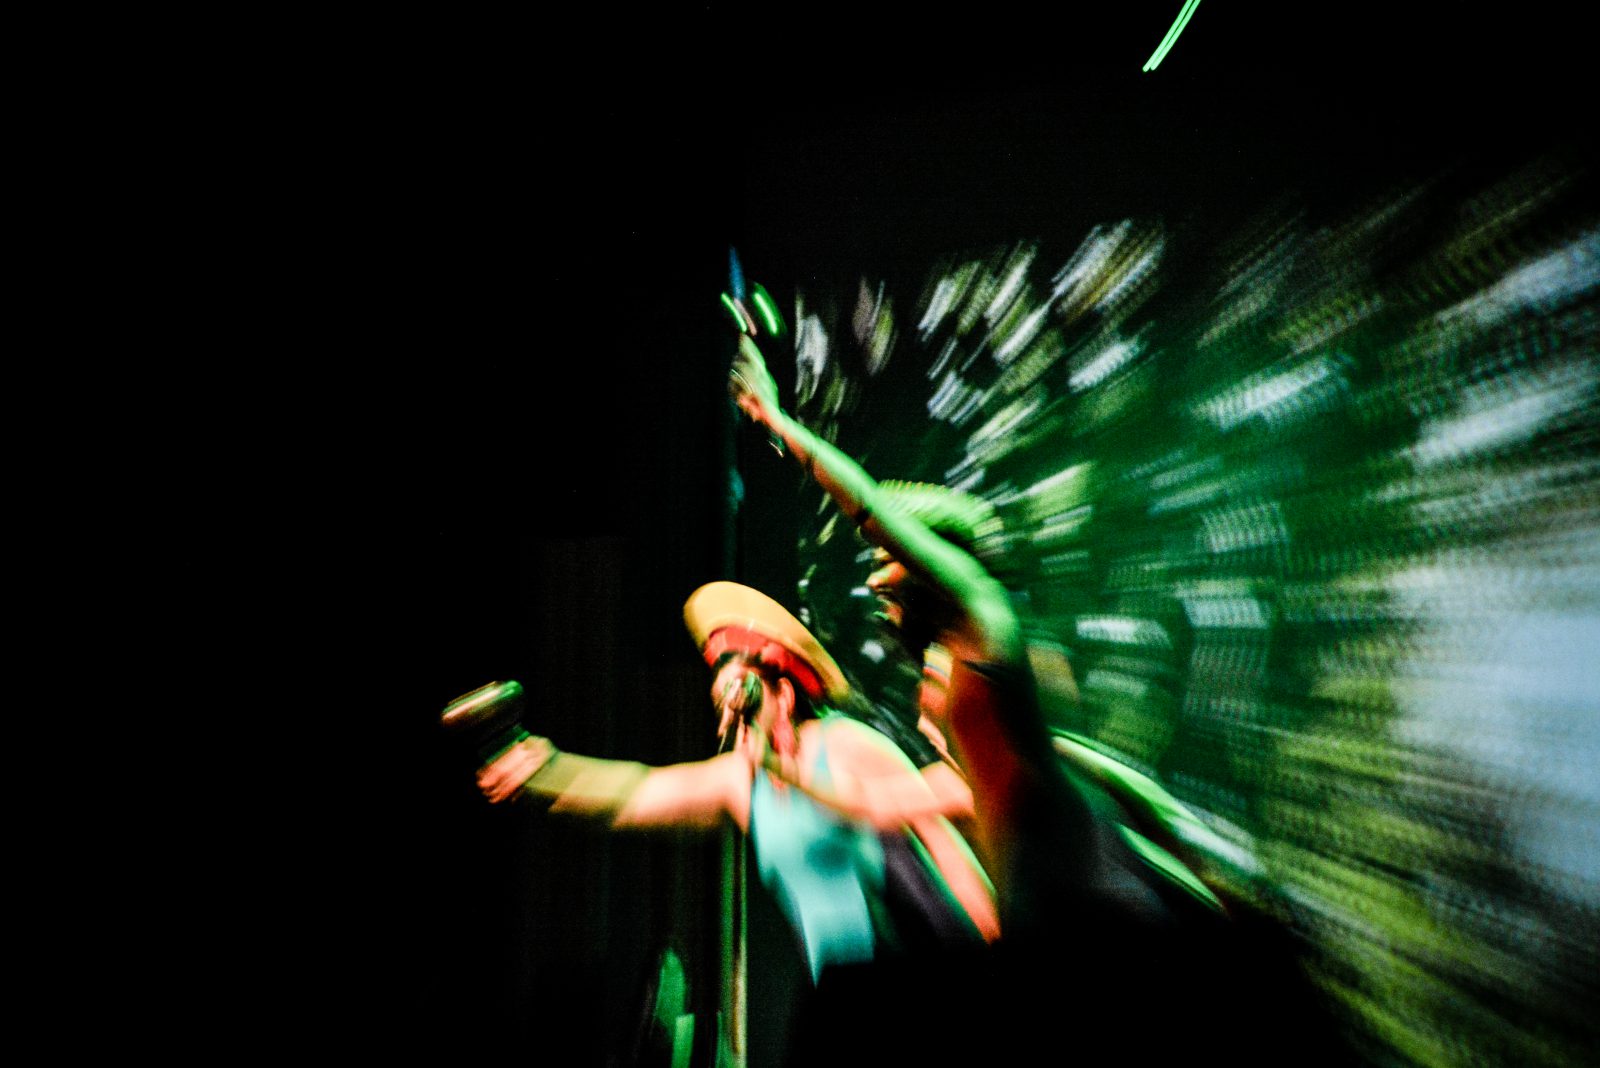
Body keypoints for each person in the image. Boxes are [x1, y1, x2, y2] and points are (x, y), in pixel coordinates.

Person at [729, 335, 1351, 1061]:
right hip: (1040, 909)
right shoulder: (949, 675)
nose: (873, 580)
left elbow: (867, 503)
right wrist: (776, 764)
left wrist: (777, 419)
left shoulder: (988, 621)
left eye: (887, 561)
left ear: (929, 558)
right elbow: (891, 802)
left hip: (1083, 891)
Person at [444, 581, 999, 1062]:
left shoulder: (846, 745)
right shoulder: (742, 780)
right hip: (847, 1005)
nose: (728, 716)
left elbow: (943, 843)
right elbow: (635, 793)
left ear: (784, 693)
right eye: (722, 703)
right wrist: (543, 769)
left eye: (741, 698)